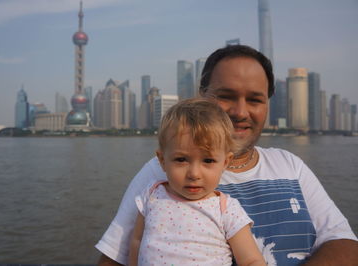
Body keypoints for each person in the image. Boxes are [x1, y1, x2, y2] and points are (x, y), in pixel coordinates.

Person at [96, 45, 358, 265]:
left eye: (255, 100)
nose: (240, 112)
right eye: (226, 96)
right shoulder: (161, 174)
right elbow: (115, 257)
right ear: (203, 96)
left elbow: (344, 243)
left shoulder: (291, 166)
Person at [128, 98, 266, 265]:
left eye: (208, 161)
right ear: (163, 160)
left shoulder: (226, 209)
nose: (194, 174)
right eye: (181, 159)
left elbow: (251, 260)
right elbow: (136, 241)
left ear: (225, 163)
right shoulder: (151, 195)